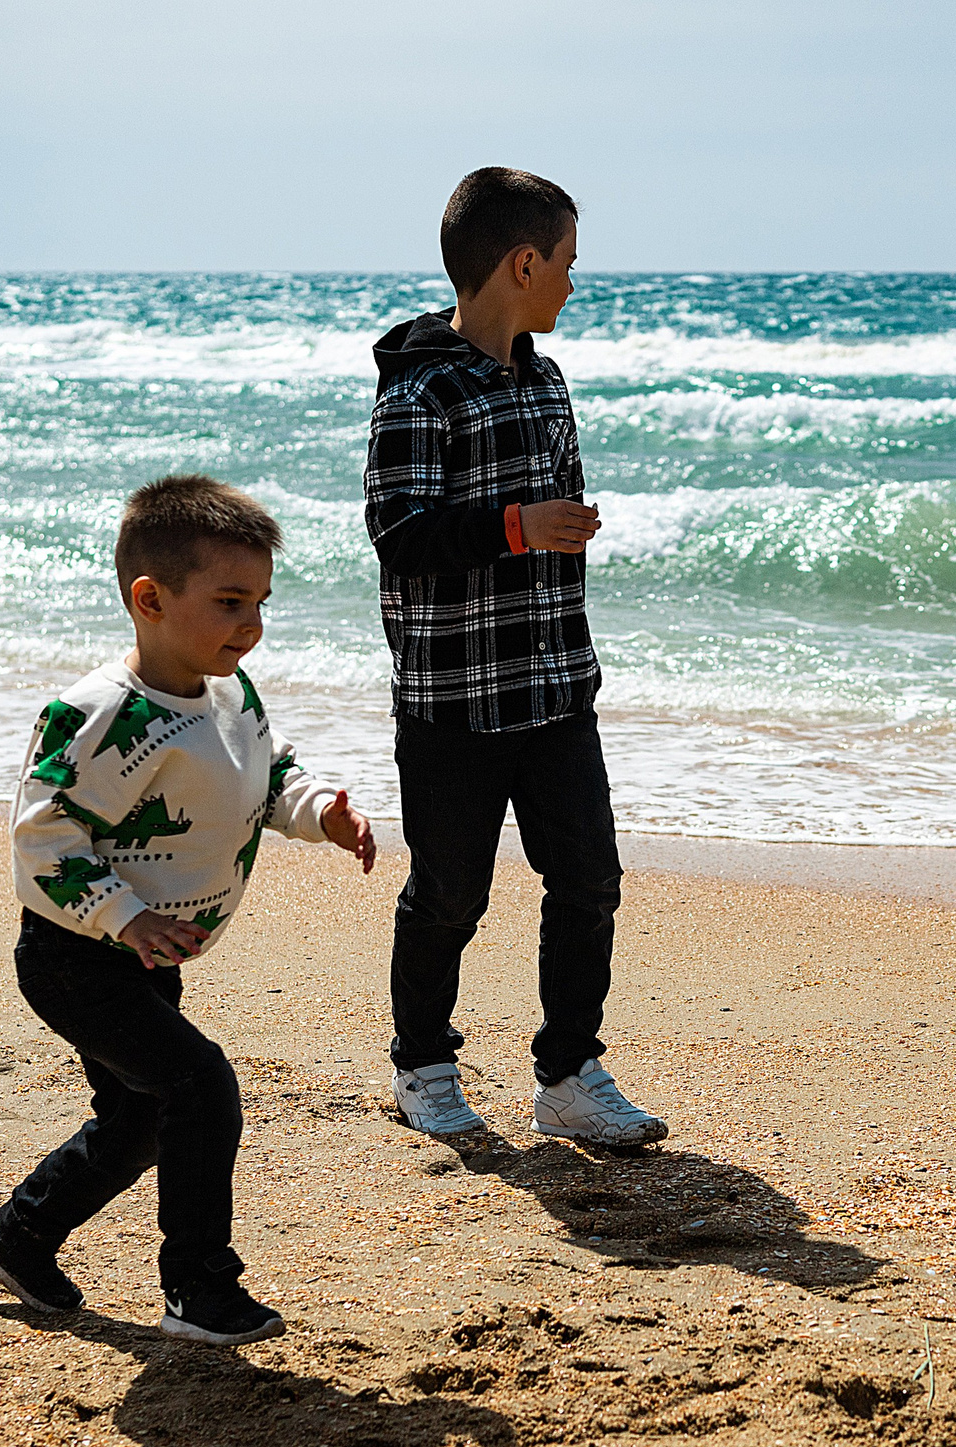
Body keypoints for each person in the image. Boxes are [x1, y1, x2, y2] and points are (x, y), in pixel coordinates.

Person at [0, 475, 378, 1348]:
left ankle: (20, 1232)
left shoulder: (231, 694)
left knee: (144, 1116)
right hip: (76, 956)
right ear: (149, 599)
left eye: (261, 602)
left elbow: (267, 776)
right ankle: (199, 1288)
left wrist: (322, 814)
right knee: (201, 1088)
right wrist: (124, 916)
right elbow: (41, 838)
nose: (250, 624)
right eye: (229, 601)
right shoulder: (103, 716)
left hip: (149, 957)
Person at [361, 166, 667, 1150]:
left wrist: (560, 529)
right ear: (522, 263)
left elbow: (544, 520)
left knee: (590, 881)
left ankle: (569, 1074)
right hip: (451, 702)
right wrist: (518, 525)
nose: (573, 285)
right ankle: (423, 1064)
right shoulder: (419, 391)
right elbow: (399, 534)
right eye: (566, 264)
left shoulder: (544, 377)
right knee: (450, 893)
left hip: (553, 689)